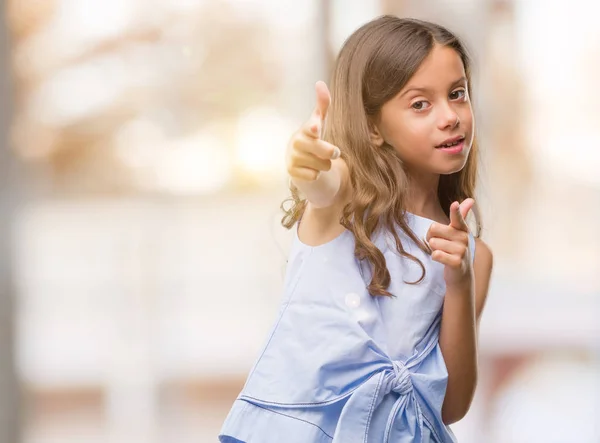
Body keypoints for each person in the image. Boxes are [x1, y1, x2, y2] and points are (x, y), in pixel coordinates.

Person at [219, 15, 494, 443]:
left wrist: (458, 281)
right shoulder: (344, 201)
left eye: (457, 95)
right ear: (371, 127)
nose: (450, 117)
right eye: (420, 104)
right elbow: (323, 182)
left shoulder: (475, 257)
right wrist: (304, 160)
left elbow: (451, 405)